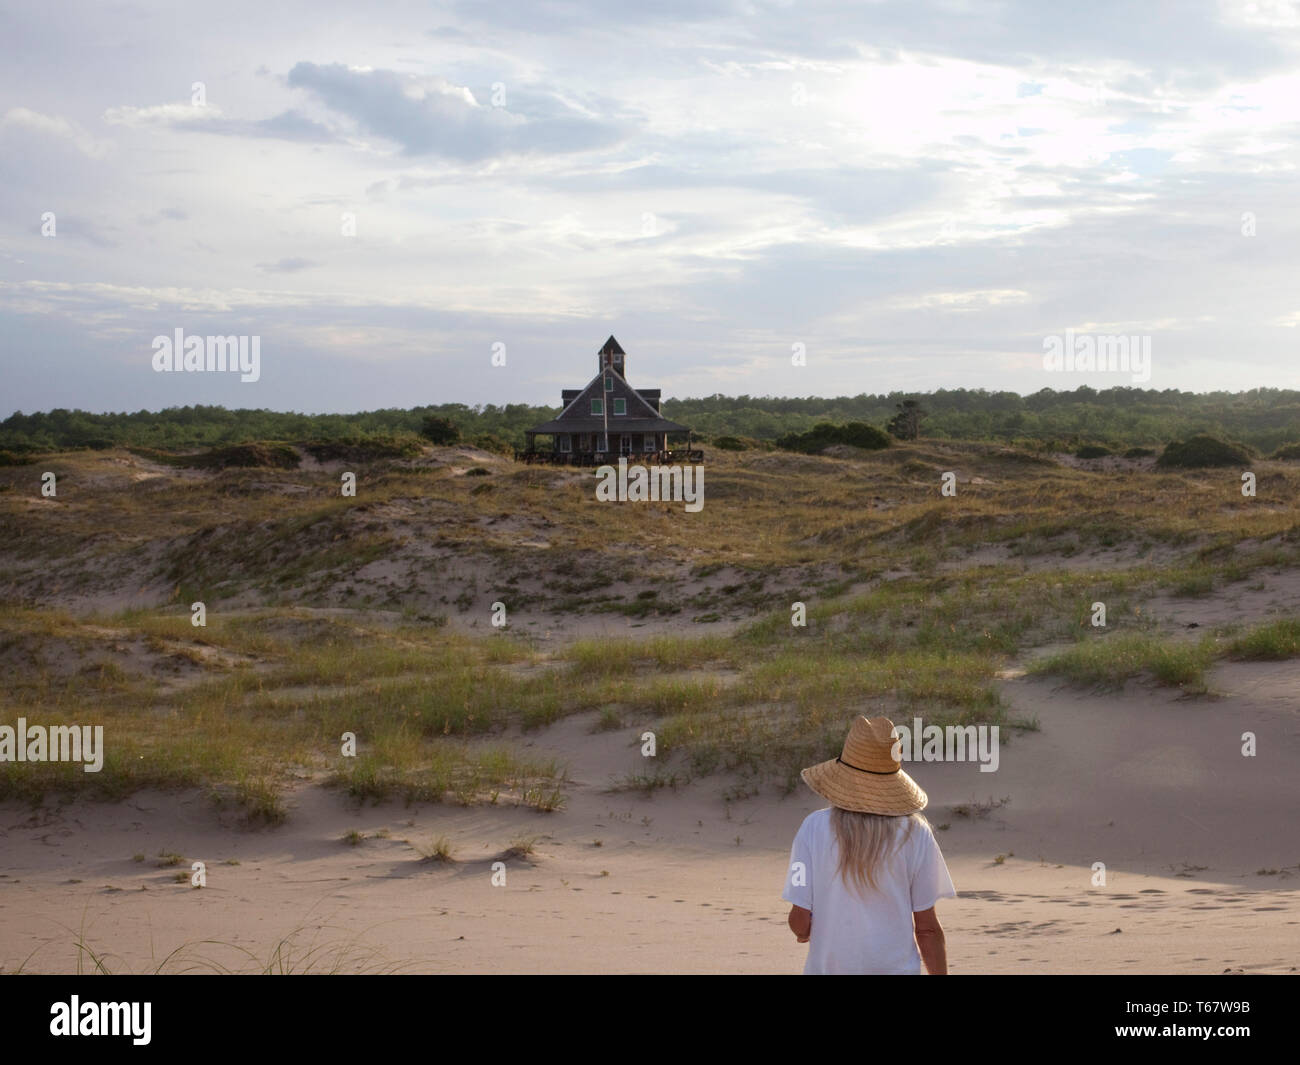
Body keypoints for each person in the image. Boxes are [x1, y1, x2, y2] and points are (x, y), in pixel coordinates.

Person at [782, 715, 956, 974]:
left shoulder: (813, 828)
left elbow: (799, 920)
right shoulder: (915, 833)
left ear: (842, 775)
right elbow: (927, 928)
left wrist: (804, 930)